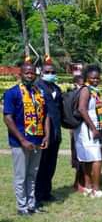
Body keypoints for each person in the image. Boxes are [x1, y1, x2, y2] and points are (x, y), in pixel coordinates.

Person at [4, 63, 51, 215]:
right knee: (21, 176)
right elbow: (7, 118)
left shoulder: (40, 92)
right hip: (20, 142)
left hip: (37, 140)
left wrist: (46, 135)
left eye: (32, 73)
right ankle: (22, 207)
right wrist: (22, 140)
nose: (30, 75)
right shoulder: (12, 93)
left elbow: (46, 116)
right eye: (27, 73)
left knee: (32, 175)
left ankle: (32, 205)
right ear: (20, 74)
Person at [75, 65, 102, 198]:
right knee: (97, 158)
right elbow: (82, 109)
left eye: (97, 77)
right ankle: (96, 189)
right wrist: (93, 128)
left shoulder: (95, 91)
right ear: (86, 77)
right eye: (92, 78)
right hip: (88, 129)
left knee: (89, 158)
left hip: (94, 128)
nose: (95, 80)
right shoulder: (86, 90)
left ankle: (88, 187)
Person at [34, 59, 62, 202]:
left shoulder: (57, 89)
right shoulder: (36, 88)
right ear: (41, 73)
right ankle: (37, 194)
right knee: (40, 164)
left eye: (52, 72)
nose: (50, 74)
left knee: (51, 164)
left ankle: (46, 192)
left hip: (56, 132)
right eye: (47, 72)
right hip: (42, 133)